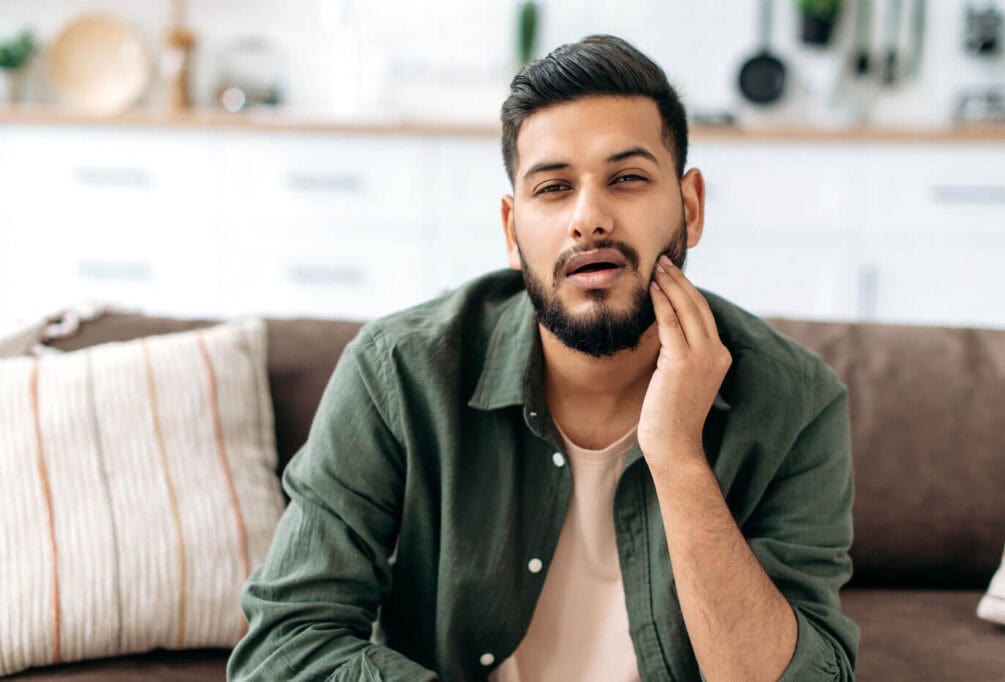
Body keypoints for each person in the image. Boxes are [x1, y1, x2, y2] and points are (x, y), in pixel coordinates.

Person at [227, 34, 859, 681]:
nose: (588, 218)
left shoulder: (796, 402)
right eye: (554, 188)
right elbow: (284, 647)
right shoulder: (397, 372)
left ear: (690, 207)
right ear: (511, 230)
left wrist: (677, 456)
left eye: (628, 179)